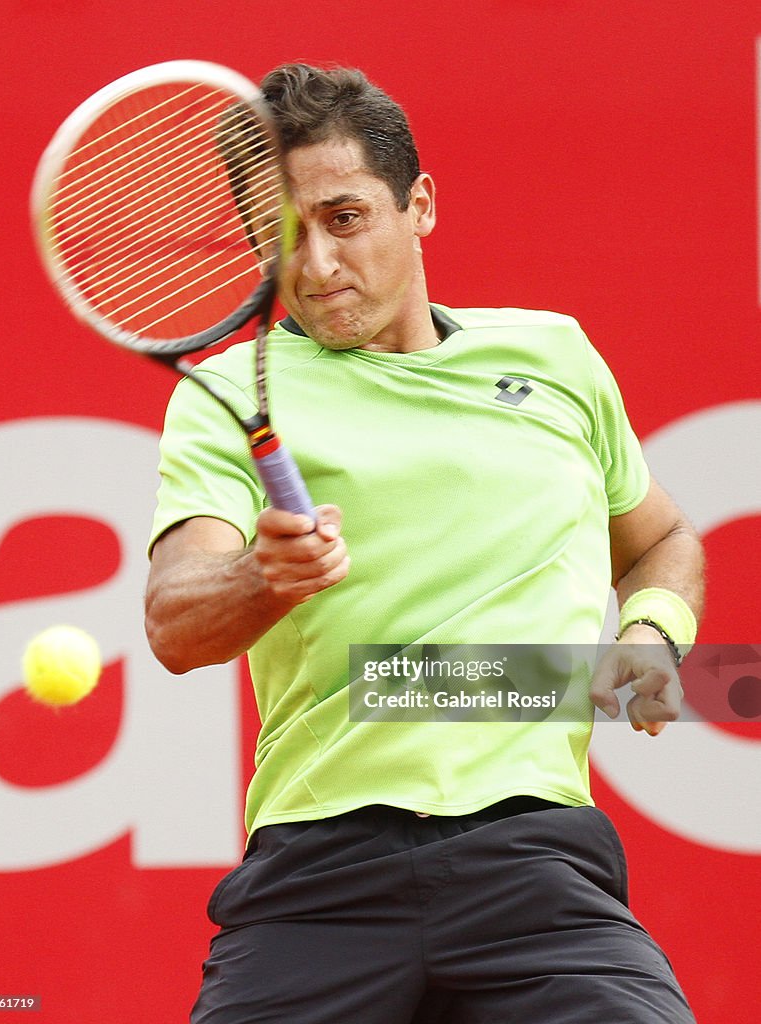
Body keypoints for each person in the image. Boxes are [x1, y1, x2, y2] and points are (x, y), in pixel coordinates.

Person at [145, 64, 705, 1024]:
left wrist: (651, 635)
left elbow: (662, 539)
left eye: (345, 218)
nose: (316, 263)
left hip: (534, 866)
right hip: (316, 874)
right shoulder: (228, 390)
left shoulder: (553, 357)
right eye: (283, 233)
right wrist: (260, 577)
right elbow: (176, 620)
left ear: (420, 205)